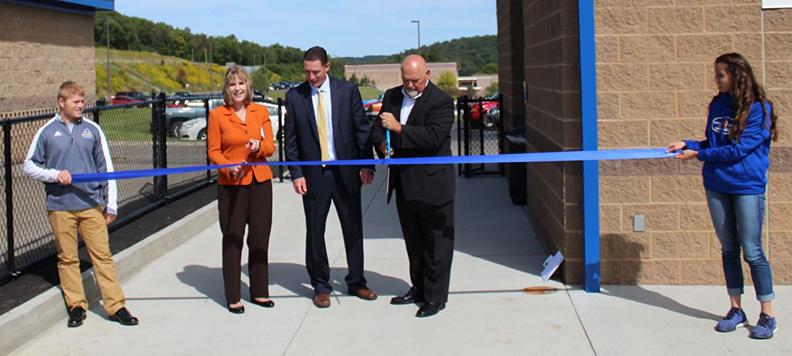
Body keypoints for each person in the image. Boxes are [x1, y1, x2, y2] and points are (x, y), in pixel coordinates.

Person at [668, 52, 779, 339]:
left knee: (752, 251)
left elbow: (739, 149)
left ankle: (767, 314)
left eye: (720, 75)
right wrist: (689, 143)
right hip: (716, 184)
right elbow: (714, 142)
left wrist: (699, 153)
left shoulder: (759, 109)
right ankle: (735, 309)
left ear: (737, 76)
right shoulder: (718, 103)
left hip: (746, 187)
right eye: (715, 74)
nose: (715, 79)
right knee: (728, 248)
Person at [23, 81, 139, 327]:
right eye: (75, 101)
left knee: (103, 256)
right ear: (61, 102)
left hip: (90, 204)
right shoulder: (46, 132)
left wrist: (111, 205)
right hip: (60, 206)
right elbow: (29, 166)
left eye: (82, 101)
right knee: (67, 258)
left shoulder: (93, 130)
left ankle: (115, 306)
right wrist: (55, 175)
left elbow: (106, 169)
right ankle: (77, 306)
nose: (80, 105)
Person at [284, 46, 377, 308]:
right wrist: (296, 174)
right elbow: (290, 141)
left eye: (315, 71)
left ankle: (357, 281)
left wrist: (367, 165)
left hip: (346, 172)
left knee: (353, 228)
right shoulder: (295, 96)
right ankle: (320, 286)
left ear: (327, 67)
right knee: (315, 232)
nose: (311, 77)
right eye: (307, 72)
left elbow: (362, 130)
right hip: (315, 176)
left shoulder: (347, 91)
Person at [369, 54, 456, 318]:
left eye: (416, 81)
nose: (410, 85)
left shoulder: (441, 101)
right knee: (414, 243)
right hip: (404, 184)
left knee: (436, 246)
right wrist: (382, 145)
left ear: (427, 74)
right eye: (406, 80)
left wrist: (398, 129)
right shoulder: (392, 96)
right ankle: (418, 288)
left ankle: (435, 298)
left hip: (433, 185)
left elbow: (433, 137)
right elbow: (376, 127)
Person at [208, 65, 276, 314]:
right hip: (232, 185)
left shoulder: (260, 112)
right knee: (233, 238)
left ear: (248, 86)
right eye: (232, 84)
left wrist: (258, 145)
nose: (237, 88)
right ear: (227, 89)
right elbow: (213, 152)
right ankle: (233, 296)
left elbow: (270, 146)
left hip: (260, 182)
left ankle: (259, 291)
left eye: (241, 83)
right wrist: (228, 167)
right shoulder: (217, 115)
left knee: (259, 237)